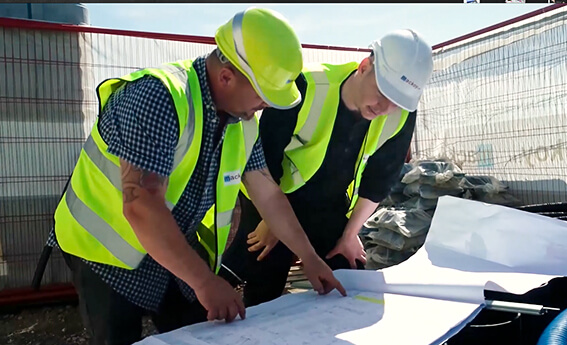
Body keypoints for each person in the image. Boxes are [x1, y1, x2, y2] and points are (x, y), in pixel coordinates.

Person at [45, 7, 345, 345]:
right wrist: (203, 282)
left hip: (170, 241)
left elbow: (268, 193)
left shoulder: (241, 120)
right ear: (227, 76)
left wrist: (309, 258)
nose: (267, 104)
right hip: (103, 252)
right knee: (119, 338)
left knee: (201, 332)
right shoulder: (157, 98)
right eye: (263, 92)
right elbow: (141, 205)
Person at [219, 29, 434, 307]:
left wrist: (350, 234)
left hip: (327, 204)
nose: (386, 107)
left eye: (398, 101)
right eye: (383, 92)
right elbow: (264, 161)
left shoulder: (402, 114)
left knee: (350, 275)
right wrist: (272, 221)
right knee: (264, 275)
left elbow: (379, 180)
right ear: (364, 67)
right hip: (272, 195)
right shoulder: (306, 85)